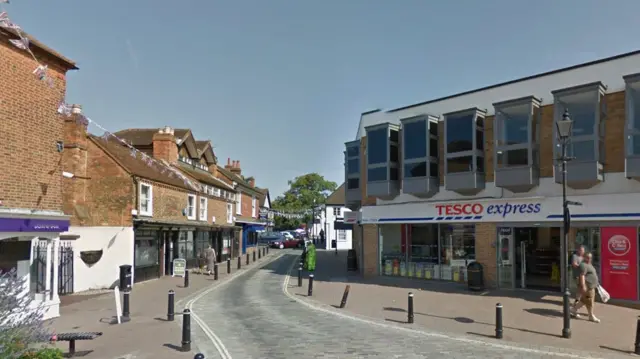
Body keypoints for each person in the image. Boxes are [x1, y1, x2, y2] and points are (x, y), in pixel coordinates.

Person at [571, 252, 600, 323]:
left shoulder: (589, 264)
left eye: (590, 257)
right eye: (588, 257)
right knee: (590, 301)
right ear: (584, 257)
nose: (589, 259)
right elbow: (582, 275)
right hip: (588, 287)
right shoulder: (583, 265)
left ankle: (573, 310)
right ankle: (591, 316)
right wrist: (583, 286)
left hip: (591, 286)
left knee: (584, 300)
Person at [570, 245, 585, 312]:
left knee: (581, 289)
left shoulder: (583, 257)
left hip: (582, 276)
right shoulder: (575, 256)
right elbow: (574, 264)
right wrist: (581, 267)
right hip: (577, 276)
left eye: (583, 250)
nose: (582, 252)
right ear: (578, 250)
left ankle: (578, 301)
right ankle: (576, 302)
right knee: (580, 288)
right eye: (581, 250)